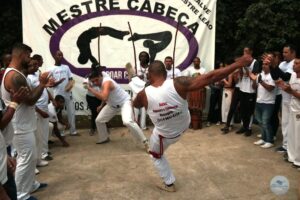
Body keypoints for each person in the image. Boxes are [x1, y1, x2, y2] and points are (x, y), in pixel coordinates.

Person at [132, 55, 252, 192]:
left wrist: (143, 88)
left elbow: (135, 104)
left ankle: (169, 184)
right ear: (165, 74)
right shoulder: (178, 83)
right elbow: (211, 77)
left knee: (155, 155)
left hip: (165, 136)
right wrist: (238, 64)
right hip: (184, 126)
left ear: (149, 75)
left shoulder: (143, 94)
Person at [1, 43, 52, 200]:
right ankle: (21, 195)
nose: (30, 60)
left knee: (30, 157)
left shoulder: (16, 73)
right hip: (20, 127)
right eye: (28, 56)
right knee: (25, 158)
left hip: (26, 124)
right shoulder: (14, 76)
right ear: (22, 55)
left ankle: (31, 185)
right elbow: (30, 100)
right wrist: (42, 84)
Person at [86, 68, 149, 150]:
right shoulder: (100, 80)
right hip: (112, 105)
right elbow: (105, 95)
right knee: (99, 120)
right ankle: (104, 138)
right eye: (93, 81)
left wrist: (90, 89)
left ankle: (145, 142)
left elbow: (104, 96)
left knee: (127, 121)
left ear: (101, 76)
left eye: (96, 80)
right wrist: (101, 106)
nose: (95, 83)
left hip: (124, 102)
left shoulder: (107, 82)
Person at [1, 88, 28, 200]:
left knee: (10, 186)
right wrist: (14, 103)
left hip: (3, 152)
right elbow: (1, 124)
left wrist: (5, 155)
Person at [269, 44, 296, 153]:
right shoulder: (283, 63)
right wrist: (271, 66)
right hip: (284, 96)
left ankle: (291, 147)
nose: (283, 54)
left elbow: (286, 77)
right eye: (283, 52)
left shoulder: (294, 63)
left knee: (292, 124)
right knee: (284, 122)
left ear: (293, 53)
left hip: (293, 97)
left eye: (286, 52)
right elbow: (275, 76)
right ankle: (285, 145)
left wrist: (275, 67)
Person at [277, 56, 300, 169]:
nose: (293, 65)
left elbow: (294, 93)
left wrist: (290, 91)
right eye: (294, 63)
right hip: (292, 107)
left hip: (299, 110)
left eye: (296, 63)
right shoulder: (294, 75)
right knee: (292, 134)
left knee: (298, 136)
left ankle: (298, 160)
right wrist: (283, 86)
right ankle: (292, 157)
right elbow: (290, 88)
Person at [50, 50, 78, 136]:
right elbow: (50, 84)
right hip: (58, 94)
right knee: (59, 114)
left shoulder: (66, 67)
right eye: (58, 55)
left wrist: (70, 86)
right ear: (54, 56)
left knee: (71, 112)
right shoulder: (51, 69)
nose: (60, 57)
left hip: (67, 93)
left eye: (61, 55)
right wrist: (57, 82)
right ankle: (61, 132)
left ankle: (73, 131)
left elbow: (71, 79)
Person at [250, 57, 276, 148]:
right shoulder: (260, 74)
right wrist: (254, 80)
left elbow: (270, 88)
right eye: (263, 64)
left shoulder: (273, 75)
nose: (263, 66)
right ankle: (263, 139)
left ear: (270, 66)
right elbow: (254, 87)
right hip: (259, 101)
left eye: (266, 64)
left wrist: (260, 81)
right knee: (260, 121)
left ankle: (270, 140)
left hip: (268, 103)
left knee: (265, 122)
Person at [236, 46, 260, 136]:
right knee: (242, 109)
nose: (244, 53)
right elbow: (242, 75)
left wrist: (245, 67)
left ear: (251, 52)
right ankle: (243, 126)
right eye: (244, 51)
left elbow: (253, 76)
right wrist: (239, 67)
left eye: (246, 51)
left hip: (251, 90)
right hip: (243, 88)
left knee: (249, 110)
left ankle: (249, 128)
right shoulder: (243, 62)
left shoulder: (255, 63)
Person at [84, 63, 102, 135]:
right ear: (93, 69)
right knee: (94, 113)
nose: (98, 70)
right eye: (97, 68)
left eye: (98, 68)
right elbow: (85, 86)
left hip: (100, 96)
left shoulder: (101, 76)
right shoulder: (87, 76)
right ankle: (93, 128)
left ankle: (103, 127)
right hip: (91, 97)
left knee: (101, 111)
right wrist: (93, 84)